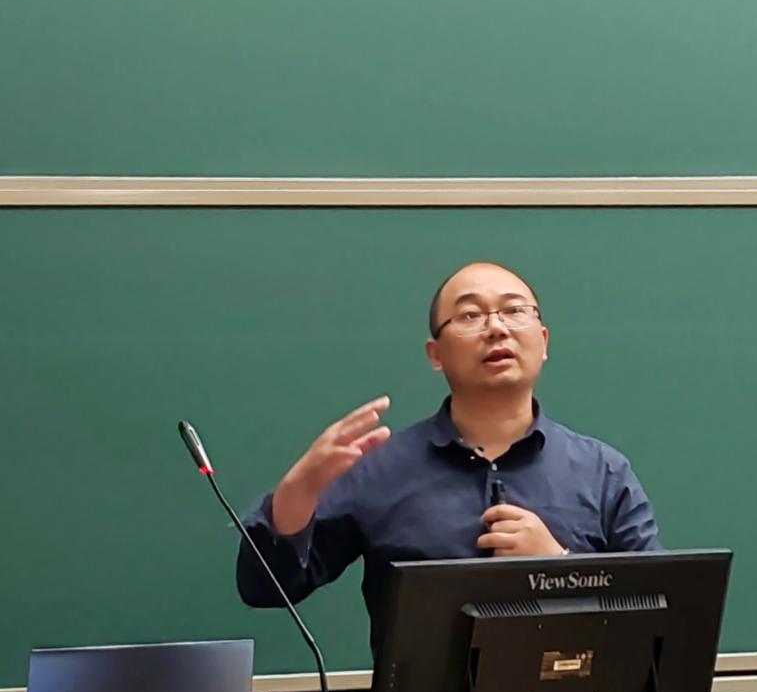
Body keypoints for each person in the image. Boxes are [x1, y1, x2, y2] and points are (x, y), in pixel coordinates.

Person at [236, 262, 660, 654]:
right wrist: (299, 490)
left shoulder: (603, 472)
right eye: (470, 315)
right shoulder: (380, 469)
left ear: (543, 341)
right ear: (435, 355)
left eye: (515, 311)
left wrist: (560, 570)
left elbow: (661, 614)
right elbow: (266, 588)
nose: (497, 329)